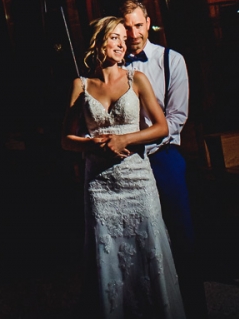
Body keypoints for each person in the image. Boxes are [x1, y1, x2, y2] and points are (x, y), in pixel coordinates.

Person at [63, 16, 185, 319]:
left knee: (147, 252)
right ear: (99, 41)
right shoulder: (81, 84)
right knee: (108, 256)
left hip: (137, 181)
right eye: (114, 37)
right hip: (100, 186)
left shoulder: (136, 79)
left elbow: (162, 127)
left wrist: (125, 139)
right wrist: (89, 145)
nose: (121, 43)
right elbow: (65, 139)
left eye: (123, 38)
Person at [120, 0, 203, 318]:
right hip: (128, 162)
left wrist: (144, 143)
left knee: (182, 235)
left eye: (138, 25)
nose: (133, 33)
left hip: (163, 156)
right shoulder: (113, 66)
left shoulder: (172, 60)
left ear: (149, 22)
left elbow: (177, 117)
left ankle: (195, 308)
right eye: (126, 28)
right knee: (140, 238)